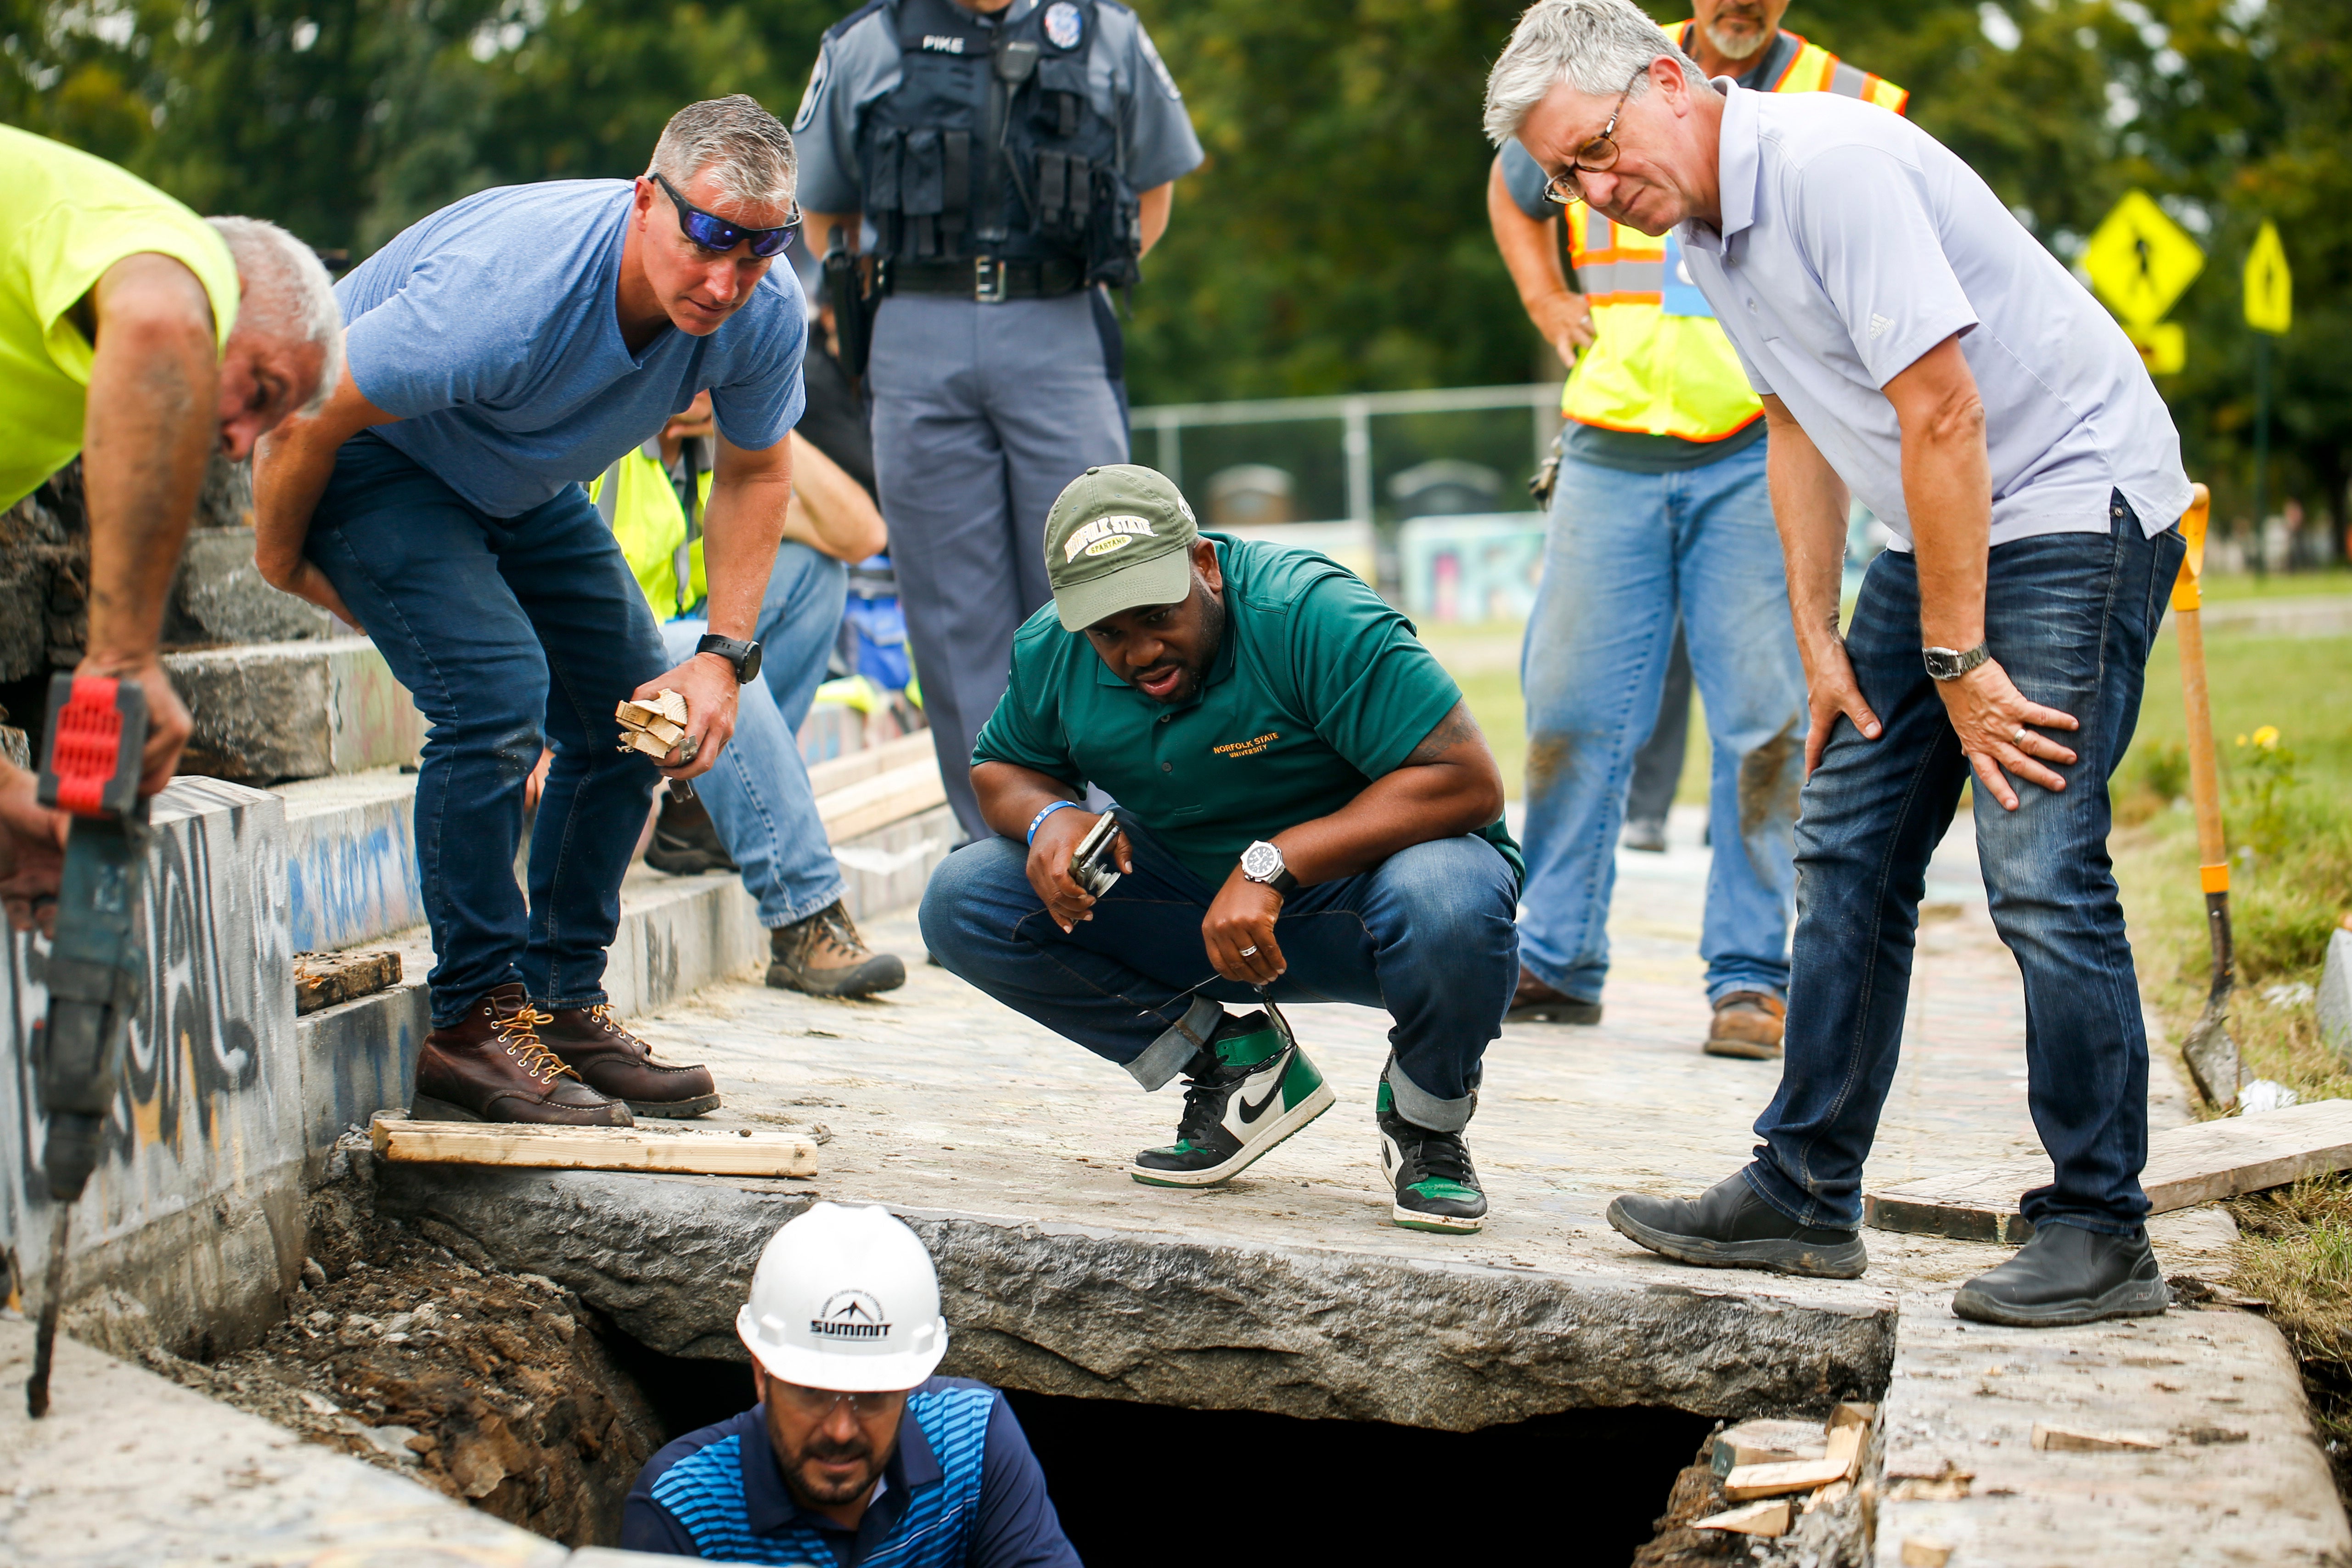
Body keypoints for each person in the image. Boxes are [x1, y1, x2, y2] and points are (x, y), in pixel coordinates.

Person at [1485, 0, 2191, 1324]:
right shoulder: (1705, 234)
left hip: (2067, 502)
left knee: (2035, 858)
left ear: (1664, 78)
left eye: (1595, 150)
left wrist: (1959, 654)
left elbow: (1946, 407)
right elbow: (1798, 423)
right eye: (1566, 178)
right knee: (1849, 842)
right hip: (1947, 520)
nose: (1594, 190)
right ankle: (1804, 1188)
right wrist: (1819, 637)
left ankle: (2101, 1224)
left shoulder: (1829, 165)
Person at [253, 96, 810, 1127]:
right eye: (710, 241)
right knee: (494, 694)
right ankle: (470, 1023)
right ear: (648, 201)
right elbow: (305, 406)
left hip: (513, 481)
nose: (728, 281)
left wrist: (721, 657)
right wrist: (282, 557)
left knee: (631, 709)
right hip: (379, 457)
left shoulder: (761, 310)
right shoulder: (508, 293)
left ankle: (558, 1003)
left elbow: (758, 468)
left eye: (761, 251)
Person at [921, 465, 1523, 1233]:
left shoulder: (1309, 612)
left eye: (1154, 615)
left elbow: (1465, 781)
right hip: (1194, 911)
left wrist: (1271, 863)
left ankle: (1425, 1124)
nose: (1139, 651)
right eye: (1110, 632)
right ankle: (1235, 1066)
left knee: (1451, 894)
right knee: (967, 897)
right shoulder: (1053, 650)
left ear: (1204, 565)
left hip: (1365, 908)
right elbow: (1002, 768)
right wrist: (1047, 820)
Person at [1489, 1, 1905, 1059]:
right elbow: (1509, 179)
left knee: (1765, 721)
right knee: (1569, 708)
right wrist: (1545, 298)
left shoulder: (1843, 95)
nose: (1736, 5)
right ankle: (1553, 954)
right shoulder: (1604, 72)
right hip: (1611, 435)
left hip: (1757, 442)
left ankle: (1750, 977)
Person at [791, 0, 1205, 843]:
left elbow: (1154, 188)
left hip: (1057, 319)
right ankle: (1001, 854)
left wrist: (1073, 273)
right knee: (953, 619)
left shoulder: (1105, 35)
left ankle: (1114, 842)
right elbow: (822, 208)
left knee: (1104, 581)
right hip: (917, 328)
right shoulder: (869, 41)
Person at [2, 127, 341, 924]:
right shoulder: (160, 245)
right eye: (260, 388)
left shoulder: (40, 418)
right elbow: (161, 323)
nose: (234, 445)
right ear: (222, 291)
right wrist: (120, 655)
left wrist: (13, 804)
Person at [597, 370, 908, 998]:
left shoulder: (718, 452)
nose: (704, 380)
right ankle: (803, 917)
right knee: (700, 648)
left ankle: (696, 816)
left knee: (816, 573)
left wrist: (755, 423)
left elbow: (862, 535)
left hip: (677, 681)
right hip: (603, 672)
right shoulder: (605, 440)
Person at [624, 1202, 1079, 1566]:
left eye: (872, 1396)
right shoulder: (686, 1506)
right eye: (812, 1392)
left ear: (910, 1385)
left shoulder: (974, 1440)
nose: (841, 1430)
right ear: (762, 1376)